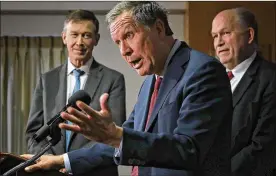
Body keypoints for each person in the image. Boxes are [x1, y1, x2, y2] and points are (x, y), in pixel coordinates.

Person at [22, 2, 233, 176]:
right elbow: (125, 137)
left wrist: (116, 136)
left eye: (129, 35)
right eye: (117, 42)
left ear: (158, 28)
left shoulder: (203, 70)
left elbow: (189, 149)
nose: (124, 51)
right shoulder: (150, 83)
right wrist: (62, 160)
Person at [25, 9, 126, 176]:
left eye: (86, 35)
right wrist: (51, 161)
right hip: (51, 172)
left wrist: (68, 161)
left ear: (96, 39)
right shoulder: (46, 80)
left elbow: (114, 136)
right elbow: (33, 133)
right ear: (64, 37)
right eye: (74, 35)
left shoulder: (113, 79)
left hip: (95, 171)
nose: (79, 42)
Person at [211, 7, 276, 176]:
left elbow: (264, 146)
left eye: (225, 33)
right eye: (214, 36)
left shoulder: (270, 79)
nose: (218, 42)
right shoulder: (211, 80)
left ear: (250, 35)